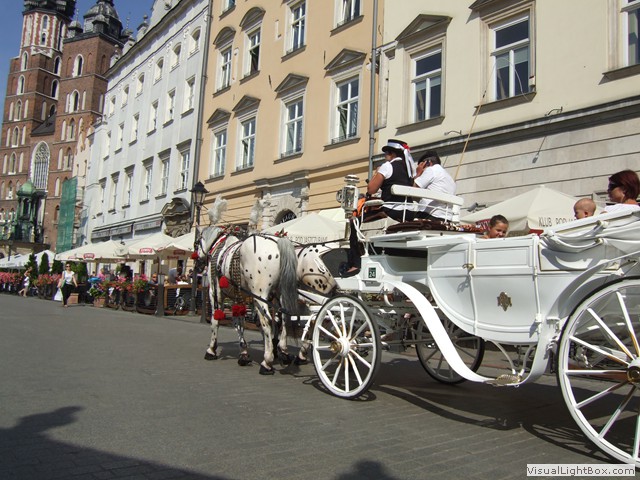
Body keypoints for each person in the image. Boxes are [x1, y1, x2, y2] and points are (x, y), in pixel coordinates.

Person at [343, 139, 415, 276]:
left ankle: (355, 263)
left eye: (386, 153)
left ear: (392, 153)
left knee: (355, 221)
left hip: (392, 211)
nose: (385, 156)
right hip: (409, 212)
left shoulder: (387, 166)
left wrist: (377, 174)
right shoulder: (409, 169)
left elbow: (371, 189)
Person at [413, 150, 457, 221]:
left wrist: (418, 173)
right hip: (446, 217)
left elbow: (414, 189)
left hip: (430, 215)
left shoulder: (431, 170)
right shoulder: (450, 178)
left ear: (428, 163)